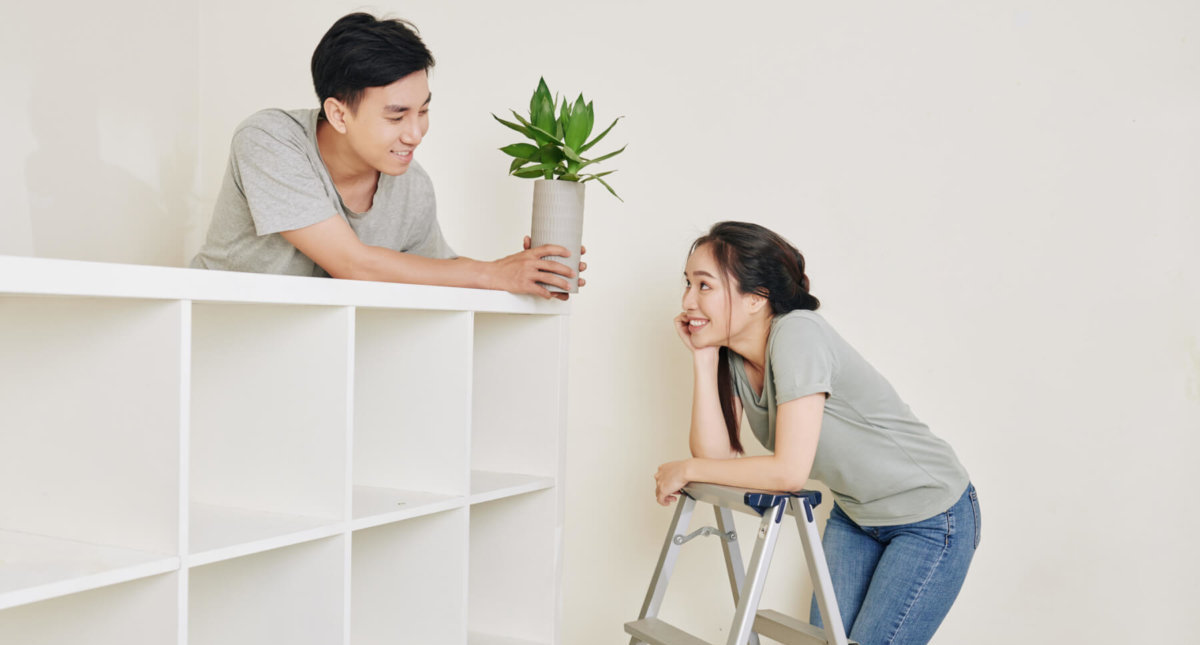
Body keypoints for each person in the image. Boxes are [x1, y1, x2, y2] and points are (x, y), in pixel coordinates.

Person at [654, 221, 979, 645]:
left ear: (755, 298)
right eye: (687, 284)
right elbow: (714, 461)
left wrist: (686, 468)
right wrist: (702, 356)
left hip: (930, 516)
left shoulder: (798, 334)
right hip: (856, 513)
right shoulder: (733, 356)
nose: (687, 301)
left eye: (704, 286)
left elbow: (789, 472)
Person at [190, 12, 584, 299]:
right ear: (338, 114)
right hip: (215, 334)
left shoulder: (412, 185)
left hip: (313, 354)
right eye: (396, 115)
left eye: (424, 110)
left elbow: (435, 273)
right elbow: (353, 264)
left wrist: (526, 271)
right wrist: (491, 274)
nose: (415, 133)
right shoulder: (268, 140)